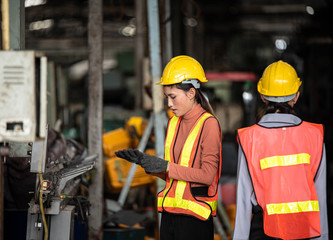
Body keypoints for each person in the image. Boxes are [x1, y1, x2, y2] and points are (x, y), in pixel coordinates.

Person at [115, 55, 222, 240]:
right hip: (170, 216)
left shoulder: (209, 124)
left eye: (173, 97)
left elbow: (207, 176)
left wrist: (165, 167)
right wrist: (148, 164)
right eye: (167, 98)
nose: (169, 104)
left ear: (191, 93)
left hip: (195, 220)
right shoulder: (173, 123)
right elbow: (174, 173)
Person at [233, 60, 329, 240]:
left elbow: (244, 198)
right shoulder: (315, 135)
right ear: (296, 96)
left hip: (263, 230)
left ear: (262, 96)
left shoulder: (249, 138)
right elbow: (320, 197)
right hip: (304, 229)